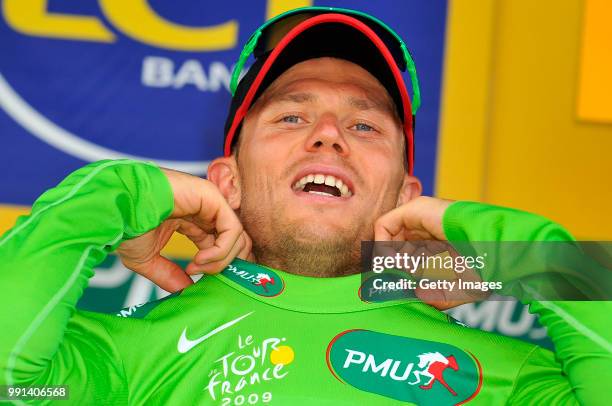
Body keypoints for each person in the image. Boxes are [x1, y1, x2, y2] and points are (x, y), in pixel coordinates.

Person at [0, 6, 610, 406]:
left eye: (366, 125)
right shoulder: (125, 356)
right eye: (291, 115)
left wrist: (528, 255)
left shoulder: (502, 381)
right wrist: (117, 195)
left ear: (406, 200)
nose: (328, 135)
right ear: (226, 183)